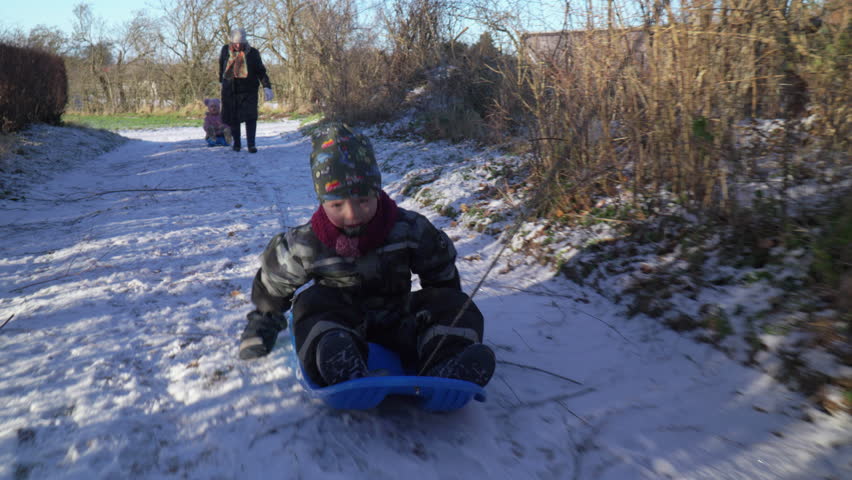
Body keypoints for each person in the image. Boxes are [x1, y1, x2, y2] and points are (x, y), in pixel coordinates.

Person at [238, 123, 496, 388]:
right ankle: (337, 362)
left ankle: (448, 363)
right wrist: (263, 323)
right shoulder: (306, 243)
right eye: (337, 204)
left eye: (363, 200)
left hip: (399, 320)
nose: (352, 214)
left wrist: (445, 305)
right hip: (339, 323)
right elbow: (274, 285)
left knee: (456, 304)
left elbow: (440, 272)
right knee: (311, 303)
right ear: (321, 200)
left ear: (377, 192)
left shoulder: (408, 228)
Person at [218, 28, 273, 153]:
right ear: (231, 41)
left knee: (251, 117)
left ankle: (251, 144)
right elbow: (221, 68)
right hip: (231, 90)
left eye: (241, 42)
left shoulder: (253, 53)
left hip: (249, 90)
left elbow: (261, 71)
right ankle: (237, 144)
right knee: (233, 118)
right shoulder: (225, 50)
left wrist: (267, 86)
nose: (238, 45)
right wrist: (222, 83)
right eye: (236, 42)